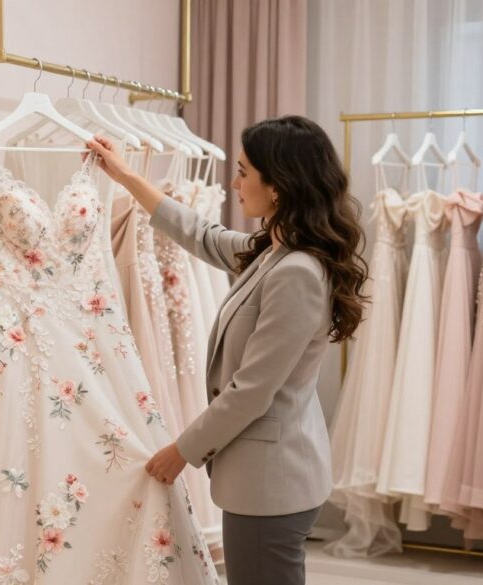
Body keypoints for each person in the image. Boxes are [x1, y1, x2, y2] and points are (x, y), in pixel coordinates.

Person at [87, 115, 369, 585]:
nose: (234, 183)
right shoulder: (276, 251)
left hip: (271, 485)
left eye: (243, 171)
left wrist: (181, 451)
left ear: (276, 187)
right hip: (271, 475)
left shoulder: (295, 271)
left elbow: (251, 391)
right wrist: (127, 177)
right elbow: (202, 235)